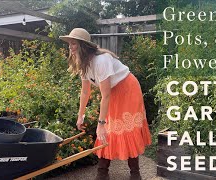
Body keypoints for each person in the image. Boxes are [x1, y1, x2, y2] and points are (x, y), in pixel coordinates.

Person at [60, 28, 151, 180]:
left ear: (83, 45)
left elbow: (105, 95)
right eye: (69, 43)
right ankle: (102, 172)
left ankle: (135, 173)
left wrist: (101, 123)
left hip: (128, 89)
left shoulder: (101, 61)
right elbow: (85, 92)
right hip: (112, 91)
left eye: (73, 43)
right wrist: (80, 116)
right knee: (108, 129)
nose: (70, 46)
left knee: (123, 128)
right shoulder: (83, 63)